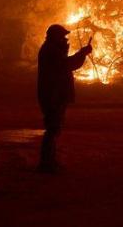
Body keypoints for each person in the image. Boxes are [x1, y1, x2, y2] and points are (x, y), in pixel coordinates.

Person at [37, 24, 92, 173]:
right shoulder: (51, 51)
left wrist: (81, 53)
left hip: (54, 94)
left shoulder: (52, 49)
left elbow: (66, 65)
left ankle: (49, 161)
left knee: (54, 128)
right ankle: (47, 163)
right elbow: (67, 65)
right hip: (53, 95)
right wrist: (82, 53)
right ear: (54, 36)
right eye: (62, 36)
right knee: (53, 128)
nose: (64, 38)